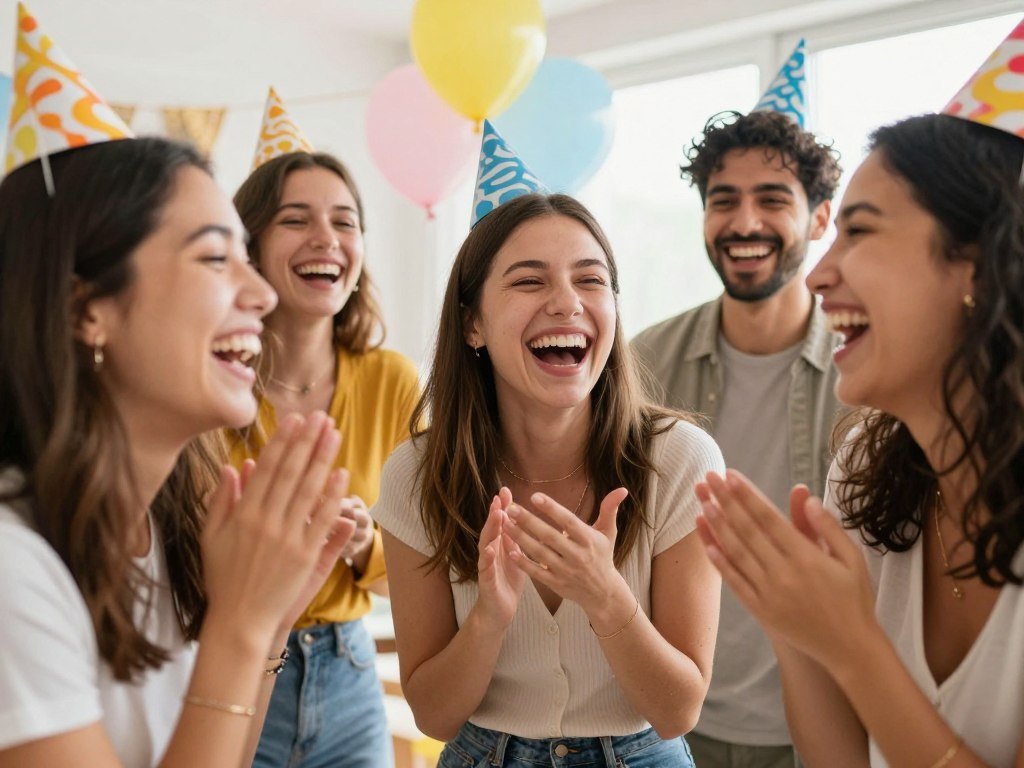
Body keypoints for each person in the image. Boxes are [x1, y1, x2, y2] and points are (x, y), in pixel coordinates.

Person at [0, 136, 356, 767]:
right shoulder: (12, 570)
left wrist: (271, 622)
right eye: (216, 258)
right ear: (87, 310)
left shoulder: (170, 528)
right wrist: (240, 630)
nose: (263, 295)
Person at [695, 113, 1024, 767]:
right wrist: (794, 625)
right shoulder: (866, 466)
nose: (818, 277)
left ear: (979, 266)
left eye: (861, 230)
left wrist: (849, 642)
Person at [373, 192, 725, 768]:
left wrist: (604, 595)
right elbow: (435, 717)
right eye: (529, 282)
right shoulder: (416, 474)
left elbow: (677, 712)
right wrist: (489, 616)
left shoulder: (681, 460)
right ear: (472, 324)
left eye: (591, 280)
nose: (567, 303)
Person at [631, 108, 843, 766]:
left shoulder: (867, 370)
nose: (745, 223)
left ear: (819, 220)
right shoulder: (644, 364)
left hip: (819, 728)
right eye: (724, 201)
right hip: (666, 725)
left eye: (772, 200)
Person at [232, 150, 420, 768]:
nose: (326, 239)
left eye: (344, 221)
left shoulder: (392, 381)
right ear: (250, 245)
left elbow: (434, 568)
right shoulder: (212, 380)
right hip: (232, 661)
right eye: (295, 219)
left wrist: (365, 543)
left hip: (348, 674)